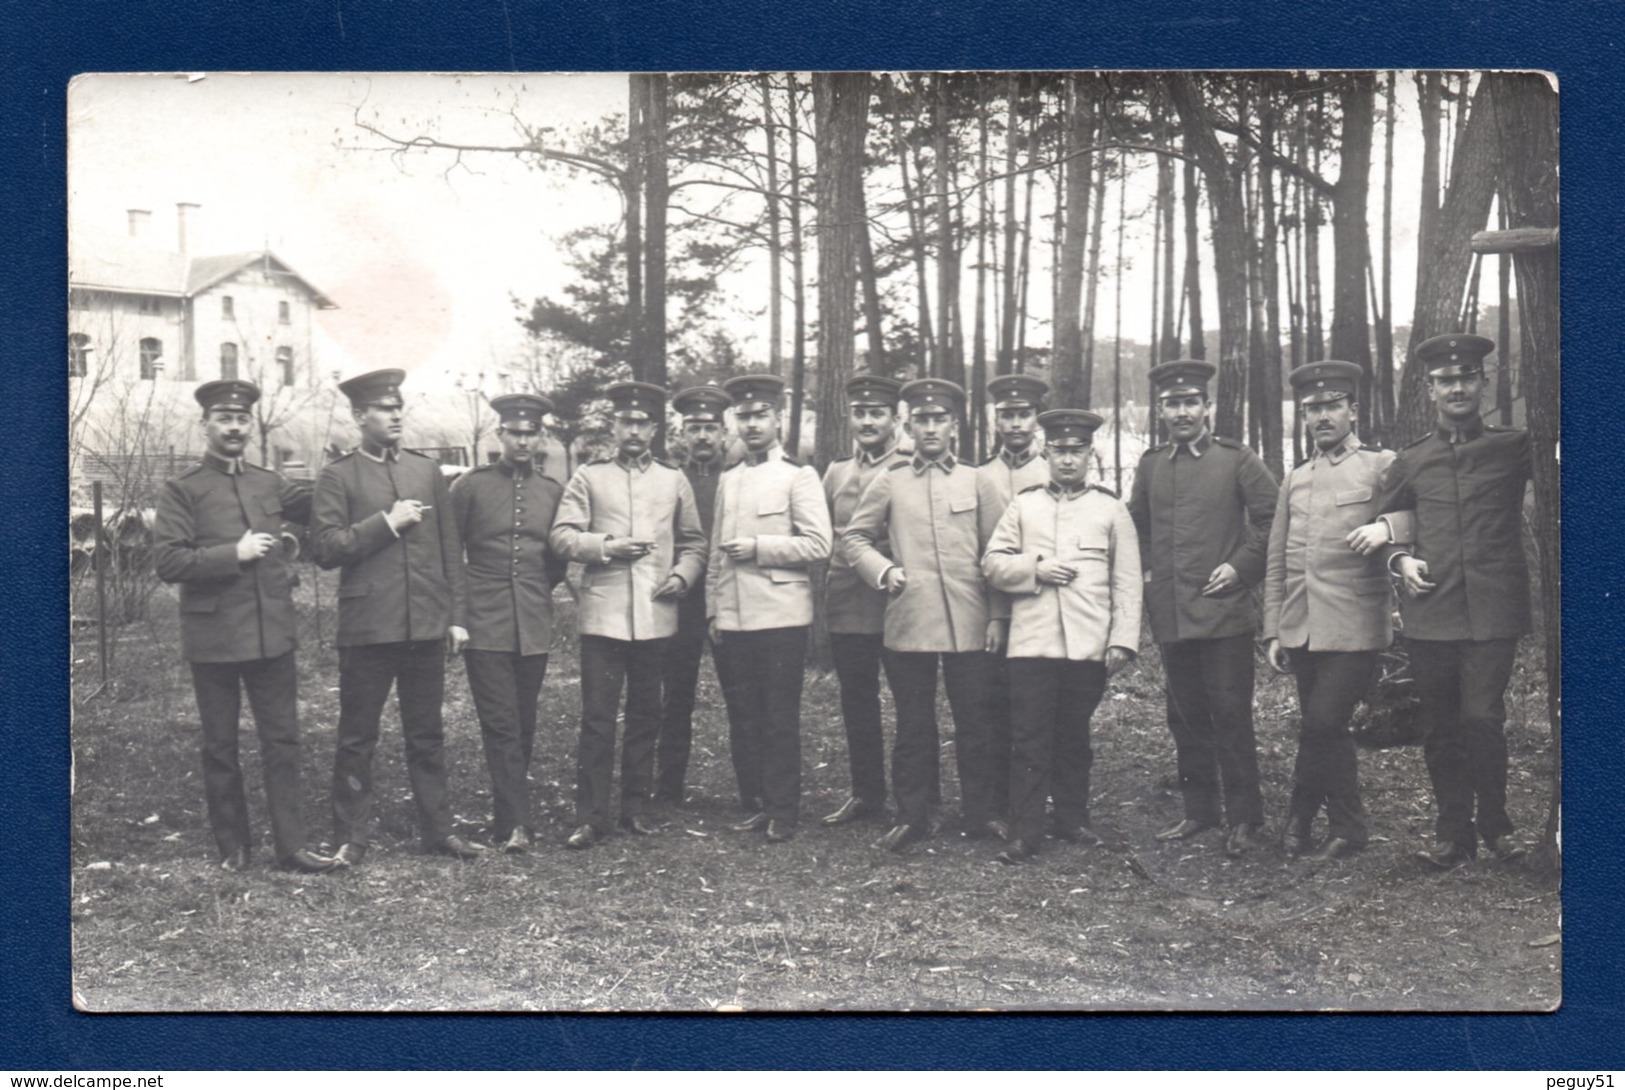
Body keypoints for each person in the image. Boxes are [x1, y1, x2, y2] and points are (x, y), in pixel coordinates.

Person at [1349, 333, 1532, 868]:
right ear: (1430, 390)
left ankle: (1498, 827)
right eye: (1445, 380)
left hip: (1495, 609)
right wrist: (1399, 560)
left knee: (1482, 718)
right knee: (1442, 725)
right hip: (1432, 612)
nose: (1457, 387)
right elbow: (1382, 525)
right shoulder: (1411, 460)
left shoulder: (1513, 446)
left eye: (1466, 377)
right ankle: (1453, 833)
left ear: (1483, 382)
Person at [152, 380, 336, 874]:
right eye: (223, 419)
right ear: (205, 426)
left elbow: (325, 501)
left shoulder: (268, 481)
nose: (234, 428)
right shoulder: (183, 488)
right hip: (214, 639)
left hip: (271, 634)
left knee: (283, 740)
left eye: (241, 420)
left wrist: (352, 468)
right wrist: (232, 553)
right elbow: (167, 560)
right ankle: (233, 848)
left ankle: (291, 846)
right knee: (220, 745)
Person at [312, 369, 482, 866]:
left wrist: (455, 616)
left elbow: (450, 548)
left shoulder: (425, 471)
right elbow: (324, 548)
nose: (396, 415)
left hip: (425, 623)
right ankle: (350, 835)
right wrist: (385, 523)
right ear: (359, 416)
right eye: (384, 408)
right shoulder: (338, 475)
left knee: (427, 732)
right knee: (357, 734)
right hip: (368, 626)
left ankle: (438, 830)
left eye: (398, 406)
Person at [843, 378, 1004, 852]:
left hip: (970, 624)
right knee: (913, 724)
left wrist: (997, 618)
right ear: (908, 424)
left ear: (954, 426)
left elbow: (1000, 551)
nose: (930, 428)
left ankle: (981, 814)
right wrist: (883, 570)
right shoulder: (890, 480)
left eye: (940, 419)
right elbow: (854, 538)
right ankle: (912, 815)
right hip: (909, 621)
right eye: (922, 420)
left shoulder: (978, 480)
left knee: (976, 722)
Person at [1127, 360, 1279, 857]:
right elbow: (1140, 526)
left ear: (1207, 407)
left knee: (1230, 714)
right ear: (1161, 410)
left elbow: (1271, 517)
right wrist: (1150, 576)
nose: (1182, 412)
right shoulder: (1151, 464)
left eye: (1191, 402)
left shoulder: (1236, 459)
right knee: (1184, 714)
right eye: (1173, 404)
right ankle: (1199, 811)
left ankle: (1245, 819)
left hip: (1225, 611)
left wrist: (1241, 567)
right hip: (1172, 611)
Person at [549, 382, 708, 850]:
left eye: (642, 423)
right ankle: (592, 816)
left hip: (657, 613)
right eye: (626, 422)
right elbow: (561, 536)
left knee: (646, 713)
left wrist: (682, 576)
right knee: (598, 716)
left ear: (655, 429)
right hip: (603, 616)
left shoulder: (671, 478)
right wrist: (604, 546)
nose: (634, 430)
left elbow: (695, 541)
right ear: (613, 427)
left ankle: (635, 808)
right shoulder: (589, 477)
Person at [982, 408, 1141, 864]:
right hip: (1032, 644)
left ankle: (1073, 819)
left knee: (1074, 735)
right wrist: (1035, 567)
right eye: (1059, 451)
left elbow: (1127, 581)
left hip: (1088, 644)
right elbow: (992, 563)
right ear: (1045, 451)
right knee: (1028, 736)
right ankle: (1024, 831)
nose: (1067, 460)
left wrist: (1122, 640)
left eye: (1077, 451)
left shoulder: (1110, 509)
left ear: (1090, 454)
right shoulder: (1025, 504)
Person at [1263, 361, 1402, 862]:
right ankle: (1330, 824)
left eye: (1331, 406)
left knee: (1322, 722)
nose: (1322, 416)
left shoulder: (1380, 465)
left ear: (1352, 411)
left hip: (1356, 624)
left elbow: (1416, 513)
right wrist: (1273, 630)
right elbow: (1279, 559)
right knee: (1324, 727)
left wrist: (1389, 530)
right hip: (1302, 628)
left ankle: (1316, 819)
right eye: (1312, 409)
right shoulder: (1296, 478)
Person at [707, 374, 832, 843]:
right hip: (735, 616)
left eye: (761, 415)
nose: (752, 424)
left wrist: (760, 546)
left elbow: (819, 544)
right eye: (744, 416)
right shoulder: (730, 478)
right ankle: (758, 801)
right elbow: (719, 552)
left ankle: (784, 809)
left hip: (780, 616)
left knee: (780, 715)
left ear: (779, 418)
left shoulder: (798, 475)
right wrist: (713, 611)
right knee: (745, 713)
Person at [448, 393, 566, 855]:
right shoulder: (470, 487)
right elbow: (449, 556)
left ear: (540, 437)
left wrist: (535, 591)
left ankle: (509, 814)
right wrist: (457, 617)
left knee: (526, 722)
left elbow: (555, 561)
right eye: (514, 432)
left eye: (530, 432)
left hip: (532, 619)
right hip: (484, 619)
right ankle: (515, 824)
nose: (521, 440)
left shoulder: (552, 492)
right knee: (500, 722)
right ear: (499, 436)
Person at [819, 373, 912, 827]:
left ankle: (918, 797)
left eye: (877, 413)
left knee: (910, 703)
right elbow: (826, 537)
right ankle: (866, 794)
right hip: (846, 604)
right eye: (861, 413)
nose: (868, 421)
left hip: (897, 600)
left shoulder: (911, 464)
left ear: (896, 418)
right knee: (857, 701)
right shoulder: (837, 470)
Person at [975, 373, 1053, 830]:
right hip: (993, 612)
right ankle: (996, 807)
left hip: (1044, 609)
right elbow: (979, 551)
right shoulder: (981, 475)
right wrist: (995, 615)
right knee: (992, 710)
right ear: (996, 419)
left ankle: (1045, 803)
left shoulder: (1053, 470)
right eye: (1007, 414)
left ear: (1037, 418)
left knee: (1040, 711)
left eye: (1024, 414)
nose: (1016, 423)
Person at [654, 384, 734, 806]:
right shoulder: (667, 480)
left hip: (729, 599)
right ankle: (668, 786)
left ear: (724, 432)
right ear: (681, 435)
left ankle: (754, 790)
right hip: (681, 599)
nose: (702, 436)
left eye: (710, 427)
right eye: (693, 428)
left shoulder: (737, 478)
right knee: (675, 694)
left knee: (741, 694)